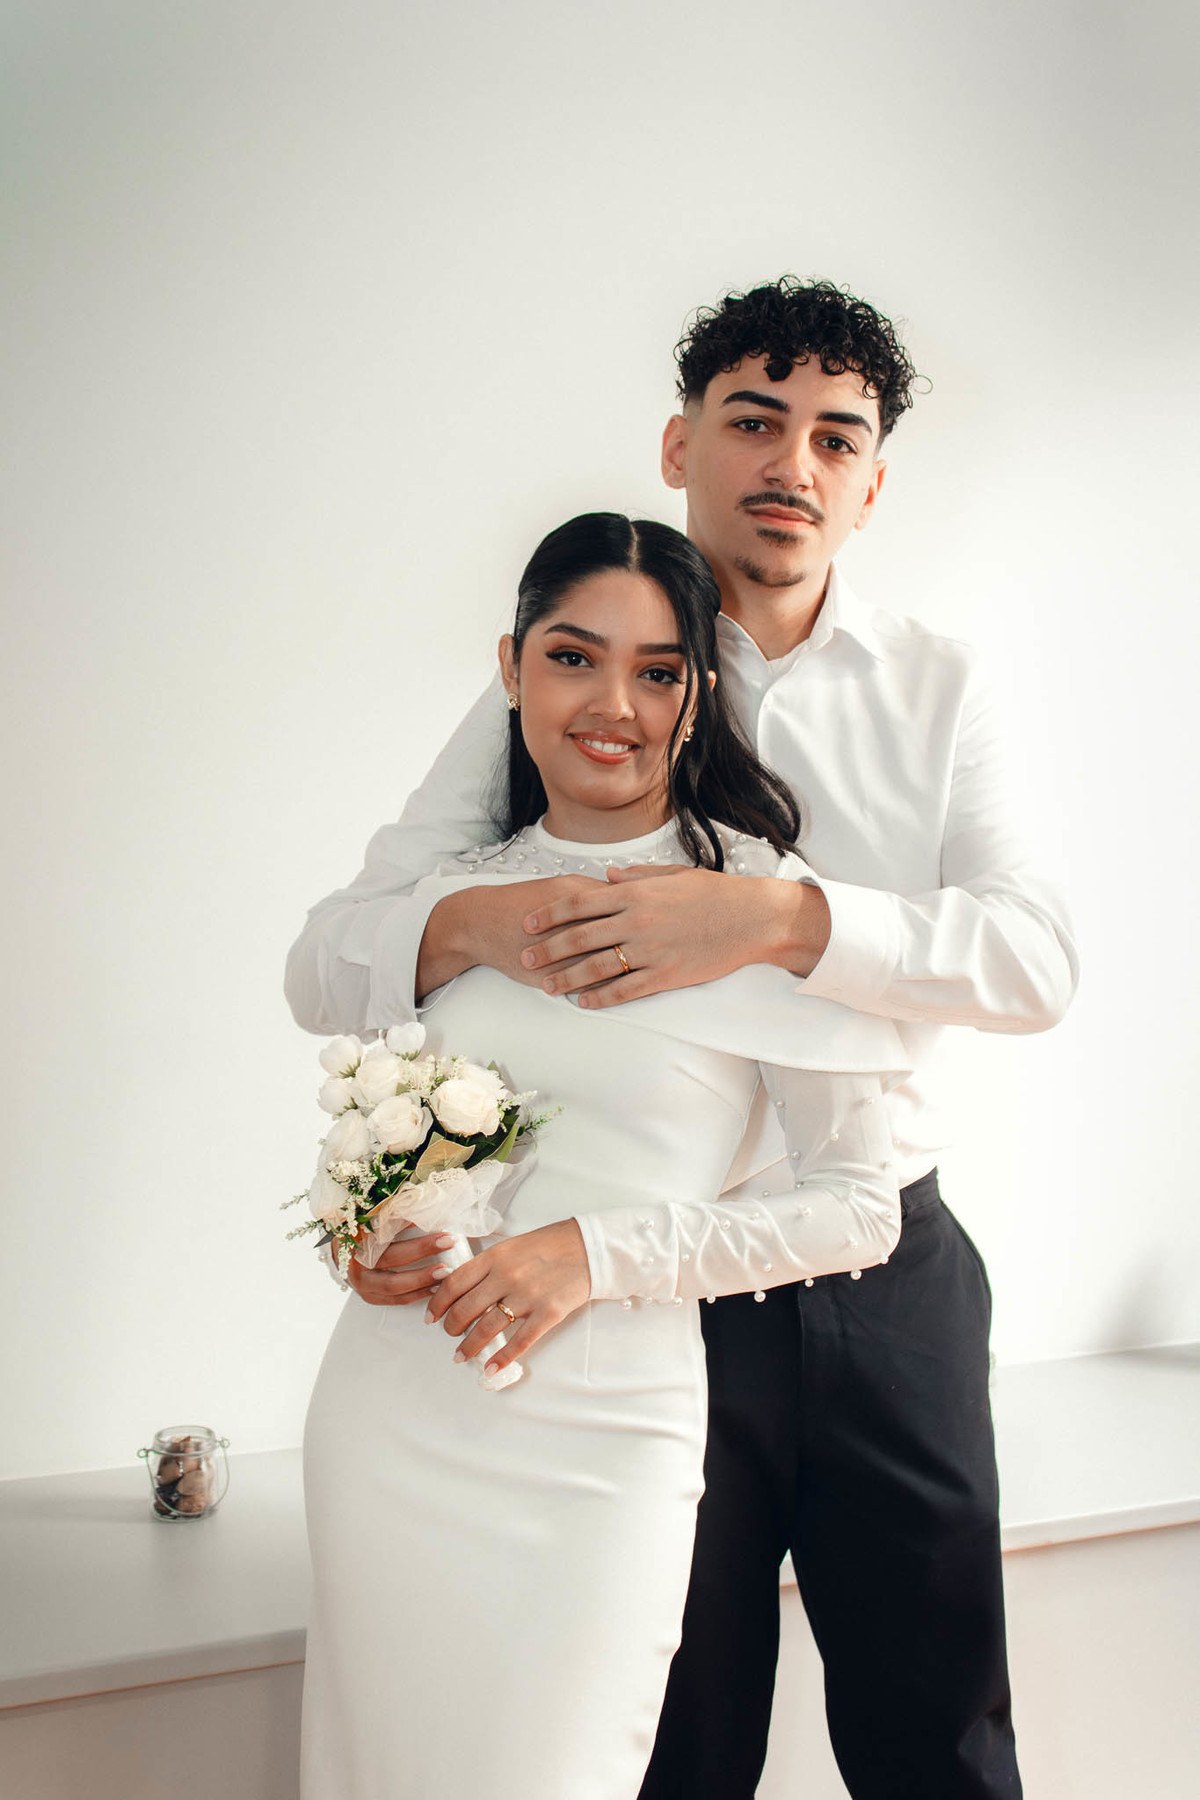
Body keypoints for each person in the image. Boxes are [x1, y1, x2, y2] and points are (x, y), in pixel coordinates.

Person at [287, 279, 1078, 1799]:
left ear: (872, 484)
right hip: (642, 1304)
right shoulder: (578, 666)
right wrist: (485, 928)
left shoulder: (941, 684)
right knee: (665, 1745)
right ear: (679, 445)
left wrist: (776, 923)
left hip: (883, 1259)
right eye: (754, 422)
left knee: (938, 1729)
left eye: (835, 438)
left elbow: (1037, 959)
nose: (793, 464)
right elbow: (362, 937)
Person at [299, 512, 911, 1800]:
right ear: (511, 667)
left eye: (658, 670)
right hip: (391, 1416)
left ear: (699, 694)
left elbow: (863, 1207)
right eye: (573, 657)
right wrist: (371, 1231)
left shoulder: (753, 903)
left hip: (603, 1437)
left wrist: (595, 1253)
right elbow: (375, 1073)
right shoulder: (455, 895)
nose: (613, 706)